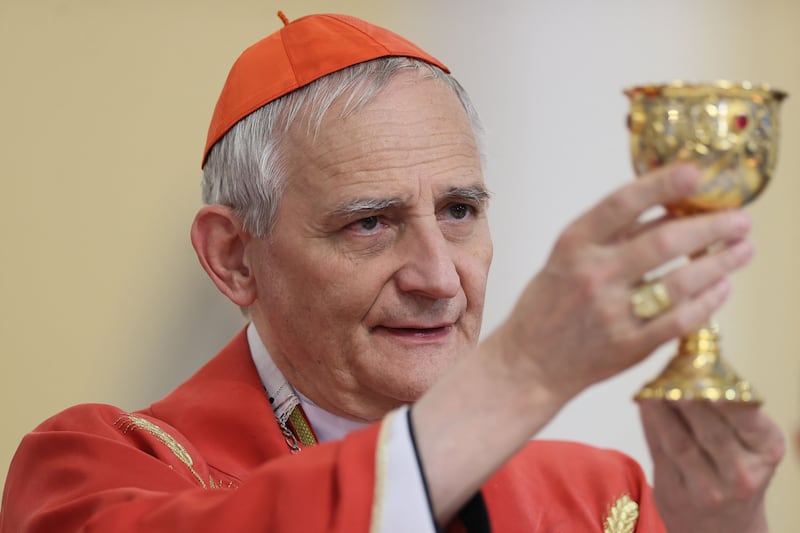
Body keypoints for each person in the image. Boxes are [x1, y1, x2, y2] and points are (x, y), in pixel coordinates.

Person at [0, 12, 785, 533]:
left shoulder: (596, 499)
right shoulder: (99, 470)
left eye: (459, 211)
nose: (439, 278)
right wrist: (529, 368)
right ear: (235, 258)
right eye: (370, 223)